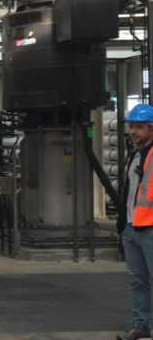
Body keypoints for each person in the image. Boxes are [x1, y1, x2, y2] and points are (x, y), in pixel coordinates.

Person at [118, 104, 153, 340]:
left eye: (139, 127)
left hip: (150, 228)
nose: (133, 131)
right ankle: (141, 327)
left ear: (151, 128)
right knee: (138, 281)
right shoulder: (134, 154)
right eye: (131, 126)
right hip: (131, 228)